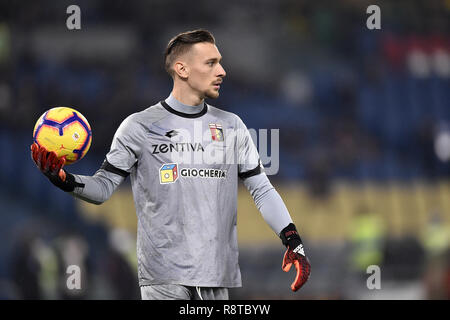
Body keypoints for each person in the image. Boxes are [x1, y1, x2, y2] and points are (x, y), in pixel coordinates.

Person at [30, 29, 310, 300]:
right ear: (182, 69)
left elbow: (261, 188)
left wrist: (292, 240)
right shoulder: (138, 127)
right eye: (211, 63)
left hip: (215, 274)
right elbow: (102, 189)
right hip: (163, 277)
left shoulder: (232, 126)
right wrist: (62, 179)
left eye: (220, 63)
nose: (221, 71)